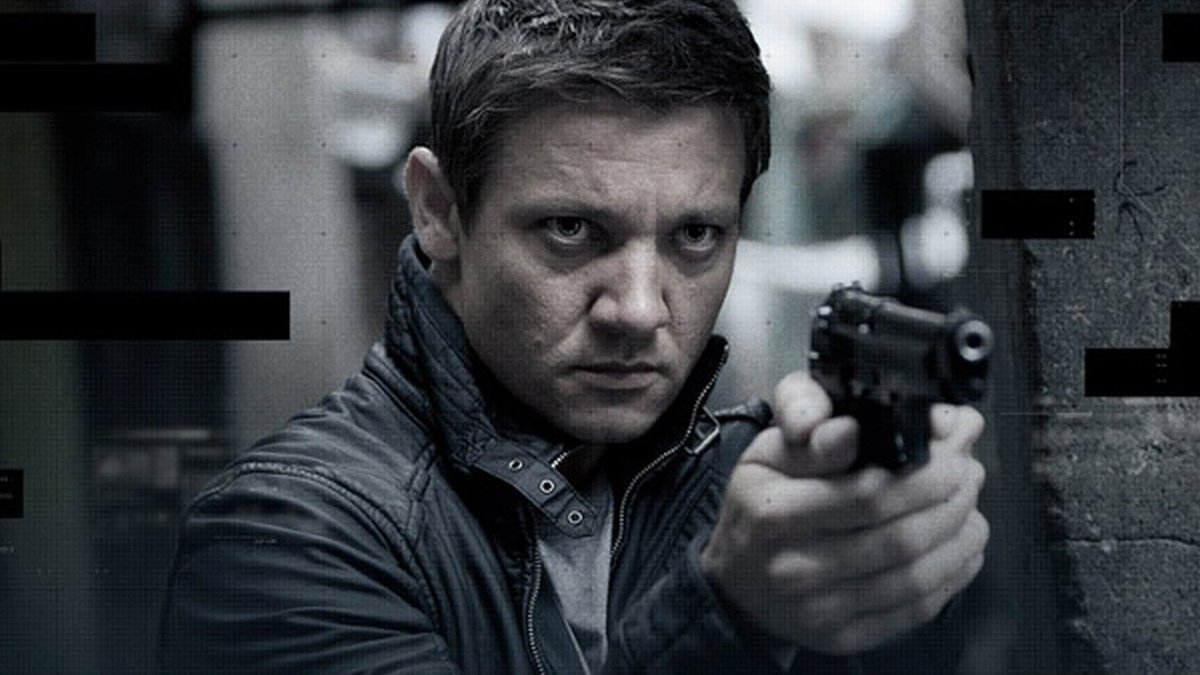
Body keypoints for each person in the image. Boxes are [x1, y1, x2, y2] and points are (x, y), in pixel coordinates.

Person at [158, 0, 989, 672]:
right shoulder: (284, 537)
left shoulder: (761, 495)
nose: (639, 309)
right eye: (570, 229)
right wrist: (726, 619)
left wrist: (891, 568)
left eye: (695, 235)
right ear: (438, 211)